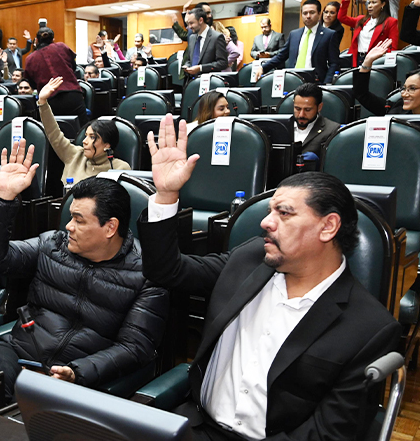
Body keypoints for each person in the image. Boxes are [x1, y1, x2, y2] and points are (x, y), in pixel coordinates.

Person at [138, 114, 400, 440]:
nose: (266, 223)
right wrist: (165, 196)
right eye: (269, 211)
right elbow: (167, 271)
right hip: (198, 427)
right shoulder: (249, 259)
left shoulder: (369, 329)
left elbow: (328, 434)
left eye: (284, 213)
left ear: (328, 226)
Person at [0, 139, 167, 403]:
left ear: (110, 227)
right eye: (70, 216)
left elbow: (134, 347)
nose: (69, 227)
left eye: (79, 220)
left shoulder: (147, 274)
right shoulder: (53, 244)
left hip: (78, 372)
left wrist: (77, 372)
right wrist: (3, 199)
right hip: (20, 352)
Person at [38, 76, 131, 182]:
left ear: (107, 144)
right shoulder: (74, 155)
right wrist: (43, 102)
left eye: (92, 137)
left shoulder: (120, 168)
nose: (84, 141)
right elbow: (53, 133)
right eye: (86, 136)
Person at [256, 0, 340, 84]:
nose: (308, 16)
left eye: (312, 12)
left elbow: (334, 63)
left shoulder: (329, 35)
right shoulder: (294, 34)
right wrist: (263, 68)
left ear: (319, 14)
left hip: (316, 83)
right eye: (305, 13)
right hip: (293, 80)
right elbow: (281, 56)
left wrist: (327, 83)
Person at [23, 27, 88, 124]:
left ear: (36, 40)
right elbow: (73, 67)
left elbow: (31, 83)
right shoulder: (61, 46)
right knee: (82, 130)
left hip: (50, 99)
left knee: (54, 134)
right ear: (53, 40)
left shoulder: (30, 58)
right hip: (72, 94)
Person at [354, 39, 420, 115]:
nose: (404, 94)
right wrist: (367, 62)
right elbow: (361, 94)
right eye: (404, 88)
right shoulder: (396, 109)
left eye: (412, 88)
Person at [338, 0, 397, 67]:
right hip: (357, 58)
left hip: (376, 60)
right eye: (369, 3)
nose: (370, 6)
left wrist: (384, 61)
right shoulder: (361, 19)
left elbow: (393, 47)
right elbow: (341, 17)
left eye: (374, 2)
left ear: (383, 4)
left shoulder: (391, 22)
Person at [290, 83, 340, 159]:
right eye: (297, 109)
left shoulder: (332, 130)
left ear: (319, 107)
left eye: (307, 110)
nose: (301, 115)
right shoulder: (282, 127)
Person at [181, 7, 228, 80]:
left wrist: (201, 68)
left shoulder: (217, 37)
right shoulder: (192, 38)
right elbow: (189, 59)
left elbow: (222, 63)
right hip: (191, 82)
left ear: (200, 20)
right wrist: (187, 66)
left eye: (191, 23)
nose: (189, 27)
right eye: (188, 24)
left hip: (209, 82)